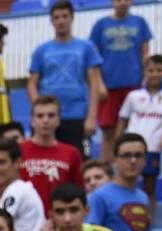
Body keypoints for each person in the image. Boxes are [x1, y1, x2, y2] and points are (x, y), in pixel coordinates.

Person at [27, 0, 102, 155]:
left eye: (64, 16)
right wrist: (39, 111)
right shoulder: (42, 50)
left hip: (76, 115)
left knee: (78, 160)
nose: (61, 21)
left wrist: (91, 117)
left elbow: (93, 83)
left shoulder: (86, 47)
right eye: (56, 17)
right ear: (51, 21)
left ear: (72, 18)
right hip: (49, 118)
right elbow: (32, 84)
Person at [90, 0, 152, 162]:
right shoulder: (100, 25)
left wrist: (147, 77)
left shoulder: (140, 22)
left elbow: (145, 53)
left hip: (134, 86)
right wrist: (99, 84)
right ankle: (106, 172)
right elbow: (94, 60)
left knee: (133, 131)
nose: (122, 3)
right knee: (108, 132)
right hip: (109, 87)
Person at [116, 55, 162, 212]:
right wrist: (118, 143)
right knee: (125, 182)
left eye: (159, 70)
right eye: (151, 70)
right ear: (145, 72)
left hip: (152, 148)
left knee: (149, 187)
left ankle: (148, 219)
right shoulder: (134, 96)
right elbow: (122, 120)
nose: (155, 74)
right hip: (131, 146)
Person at [20, 95, 84, 211]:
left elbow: (78, 192)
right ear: (32, 121)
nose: (45, 120)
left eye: (51, 115)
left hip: (61, 220)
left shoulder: (71, 153)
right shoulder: (18, 150)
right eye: (40, 116)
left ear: (58, 120)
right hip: (25, 220)